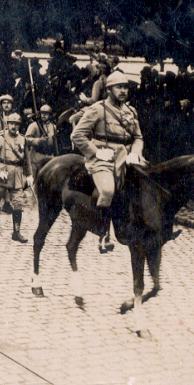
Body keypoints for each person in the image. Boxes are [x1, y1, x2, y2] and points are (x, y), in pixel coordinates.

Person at [70, 71, 144, 253]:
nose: (123, 91)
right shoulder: (97, 109)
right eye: (119, 87)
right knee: (108, 190)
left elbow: (138, 137)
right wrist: (95, 152)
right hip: (103, 159)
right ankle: (104, 235)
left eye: (125, 87)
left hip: (126, 157)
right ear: (109, 90)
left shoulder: (131, 111)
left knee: (148, 183)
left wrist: (135, 152)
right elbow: (77, 135)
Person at [0, 113, 32, 242]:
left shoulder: (23, 139)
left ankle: (16, 232)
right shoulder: (0, 138)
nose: (14, 126)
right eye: (11, 123)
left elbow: (27, 159)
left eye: (16, 124)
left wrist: (30, 175)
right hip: (2, 174)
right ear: (7, 124)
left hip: (17, 175)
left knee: (18, 203)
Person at [25, 104, 58, 180]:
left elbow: (55, 141)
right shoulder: (34, 125)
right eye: (42, 113)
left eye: (46, 114)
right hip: (36, 157)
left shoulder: (53, 127)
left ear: (50, 115)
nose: (43, 115)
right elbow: (26, 138)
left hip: (49, 156)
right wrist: (38, 141)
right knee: (34, 180)